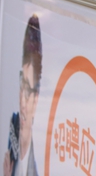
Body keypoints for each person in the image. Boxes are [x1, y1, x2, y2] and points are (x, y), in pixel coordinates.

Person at [4, 15, 41, 176]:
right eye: (22, 86)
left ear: (37, 99)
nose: (23, 103)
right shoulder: (13, 127)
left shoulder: (36, 165)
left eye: (29, 92)